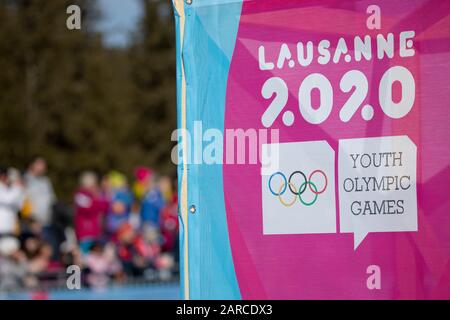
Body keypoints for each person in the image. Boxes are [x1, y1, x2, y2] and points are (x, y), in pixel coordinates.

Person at [74, 172, 108, 253]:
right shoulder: (80, 195)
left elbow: (105, 206)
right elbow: (88, 207)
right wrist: (96, 199)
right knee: (85, 255)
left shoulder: (95, 195)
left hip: (95, 232)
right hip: (84, 232)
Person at [24, 157, 56, 229]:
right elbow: (22, 202)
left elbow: (52, 200)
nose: (43, 166)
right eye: (39, 164)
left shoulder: (46, 182)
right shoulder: (24, 180)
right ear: (31, 165)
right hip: (31, 222)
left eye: (44, 164)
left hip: (46, 222)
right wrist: (30, 220)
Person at [0, 166, 24, 238]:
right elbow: (8, 199)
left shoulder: (12, 189)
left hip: (10, 227)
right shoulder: (15, 189)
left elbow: (20, 205)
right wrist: (18, 187)